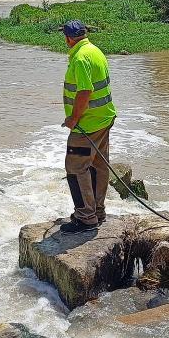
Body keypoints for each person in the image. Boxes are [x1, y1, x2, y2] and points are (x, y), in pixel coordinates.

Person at [59, 20, 116, 233]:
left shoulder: (80, 58)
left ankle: (85, 217)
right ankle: (97, 211)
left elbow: (85, 92)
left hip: (87, 124)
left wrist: (73, 118)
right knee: (98, 166)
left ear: (68, 38)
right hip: (103, 119)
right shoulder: (95, 51)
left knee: (75, 168)